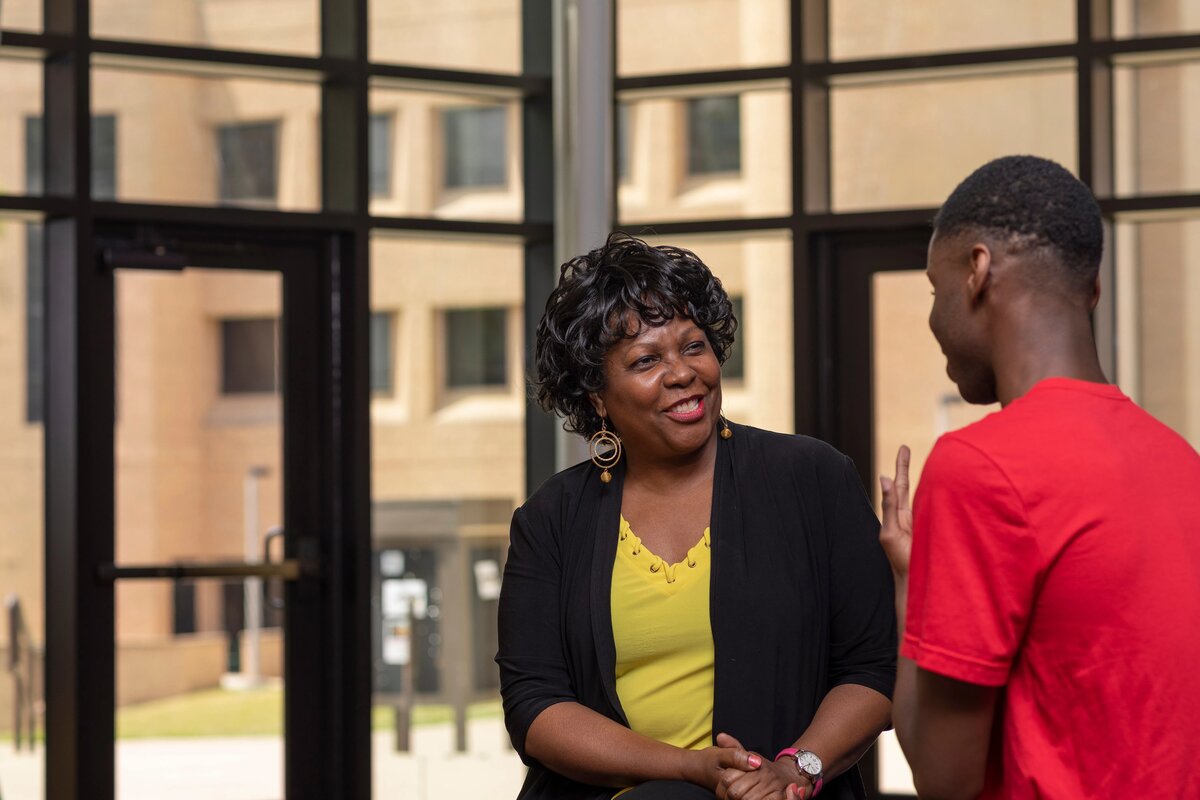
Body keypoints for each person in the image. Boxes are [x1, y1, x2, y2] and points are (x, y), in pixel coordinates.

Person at [497, 233, 896, 800]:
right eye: (645, 360)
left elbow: (872, 668)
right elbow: (535, 706)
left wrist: (795, 768)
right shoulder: (550, 520)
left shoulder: (812, 477)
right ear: (597, 397)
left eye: (693, 347)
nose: (683, 373)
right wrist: (687, 769)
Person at [878, 155, 1200, 798]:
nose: (936, 322)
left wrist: (912, 584)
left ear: (976, 273)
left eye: (935, 292)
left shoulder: (979, 467)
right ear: (1095, 291)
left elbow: (945, 777)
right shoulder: (1180, 462)